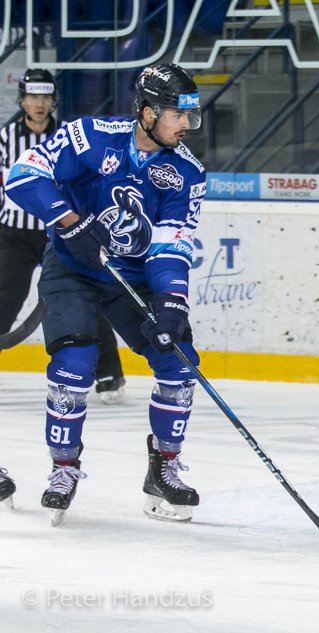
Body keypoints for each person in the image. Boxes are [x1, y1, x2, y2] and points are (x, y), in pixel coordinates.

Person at [5, 63, 207, 525]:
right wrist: (69, 222)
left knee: (179, 362)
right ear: (148, 112)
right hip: (73, 270)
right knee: (74, 365)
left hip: (133, 279)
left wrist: (171, 302)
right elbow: (23, 175)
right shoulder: (89, 137)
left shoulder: (187, 172)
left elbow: (172, 244)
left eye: (190, 115)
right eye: (178, 114)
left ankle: (164, 467)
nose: (186, 125)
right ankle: (64, 467)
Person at [0, 69, 127, 404]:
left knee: (84, 297)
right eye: (32, 96)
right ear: (22, 100)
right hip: (14, 235)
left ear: (54, 100)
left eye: (45, 96)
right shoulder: (4, 138)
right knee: (3, 299)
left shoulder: (70, 136)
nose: (39, 103)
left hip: (62, 233)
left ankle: (108, 372)